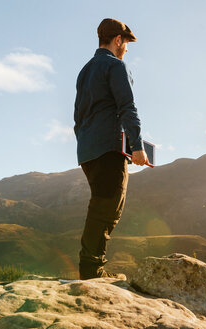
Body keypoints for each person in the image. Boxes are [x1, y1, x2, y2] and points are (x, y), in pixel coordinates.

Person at [74, 18, 148, 280]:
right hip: (108, 149)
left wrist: (84, 143)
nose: (126, 48)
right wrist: (137, 147)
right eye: (126, 43)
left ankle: (91, 269)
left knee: (101, 205)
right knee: (108, 208)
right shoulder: (115, 66)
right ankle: (92, 273)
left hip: (87, 151)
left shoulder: (85, 71)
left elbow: (78, 116)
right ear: (118, 40)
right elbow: (127, 107)